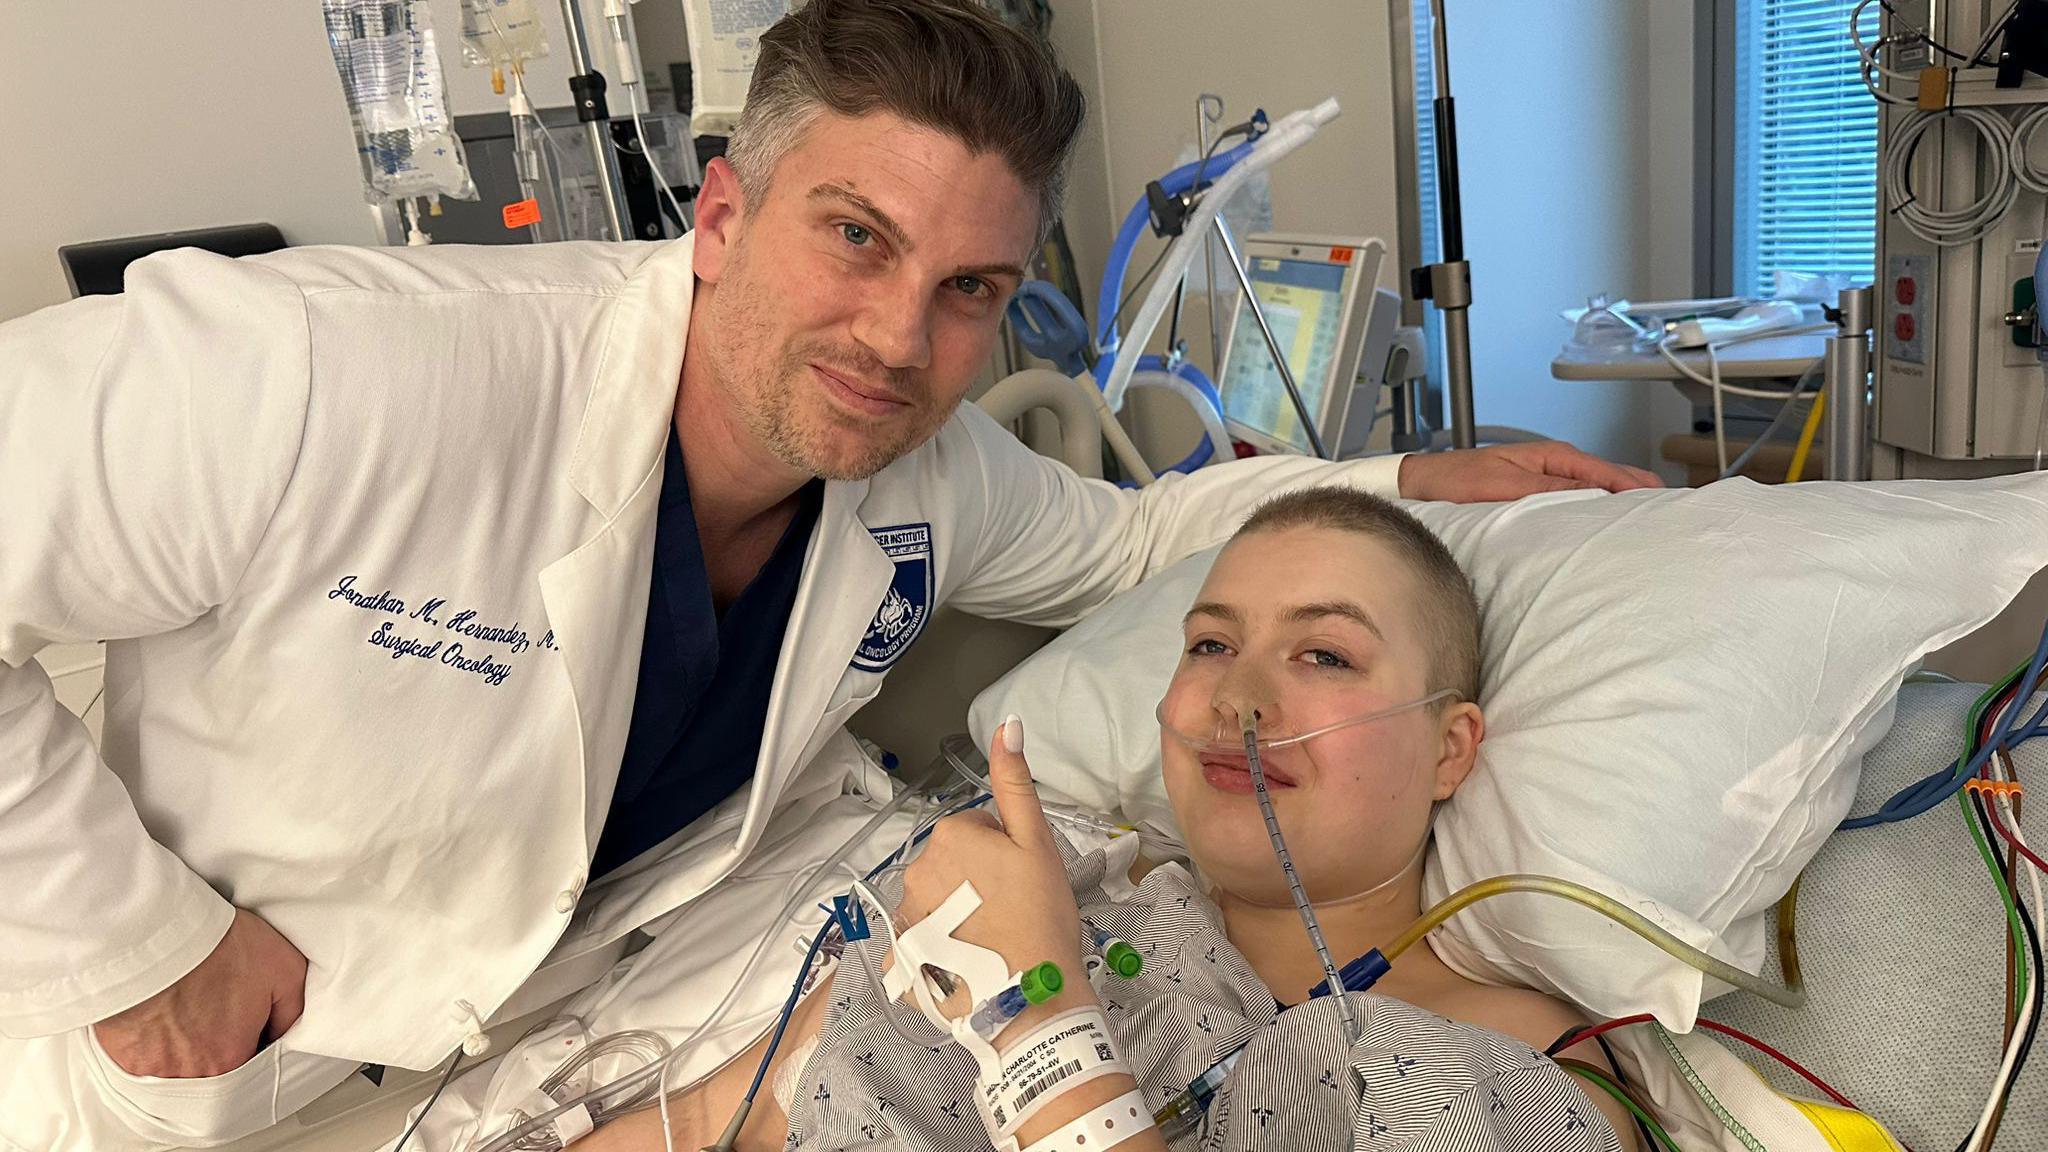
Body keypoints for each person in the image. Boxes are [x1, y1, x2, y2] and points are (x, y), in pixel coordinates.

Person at [0, 1, 1658, 1146]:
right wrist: (139, 944)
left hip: (565, 1020)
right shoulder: (332, 371)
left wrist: (1409, 473)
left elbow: (1136, 534)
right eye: (853, 237)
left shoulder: (919, 474)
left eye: (968, 287)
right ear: (720, 213)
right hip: (185, 1059)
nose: (898, 340)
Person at [577, 488, 1642, 1152]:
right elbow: (713, 1121)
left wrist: (1034, 1017)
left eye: (1323, 653)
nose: (1238, 699)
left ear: (1450, 747)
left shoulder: (1529, 1061)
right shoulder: (1064, 912)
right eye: (1210, 646)